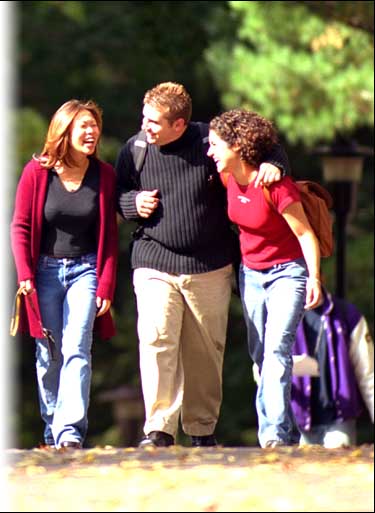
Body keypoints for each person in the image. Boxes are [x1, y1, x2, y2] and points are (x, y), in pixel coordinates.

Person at [115, 82, 290, 448]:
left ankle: (200, 428)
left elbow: (264, 144)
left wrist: (275, 164)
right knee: (156, 338)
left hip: (209, 264)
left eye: (155, 122)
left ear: (180, 125)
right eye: (144, 118)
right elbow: (116, 195)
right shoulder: (135, 150)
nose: (145, 127)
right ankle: (159, 428)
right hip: (154, 260)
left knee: (205, 350)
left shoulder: (208, 141)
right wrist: (132, 204)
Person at [208, 108, 322, 448]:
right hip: (252, 275)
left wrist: (314, 278)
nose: (209, 151)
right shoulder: (228, 178)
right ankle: (282, 431)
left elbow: (305, 235)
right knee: (261, 355)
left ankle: (272, 436)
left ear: (238, 147)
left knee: (276, 349)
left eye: (215, 145)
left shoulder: (276, 185)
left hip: (288, 273)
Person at [10, 99, 118, 450]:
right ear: (64, 130)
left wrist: (105, 284)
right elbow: (20, 226)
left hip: (85, 270)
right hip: (42, 273)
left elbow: (110, 237)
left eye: (94, 126)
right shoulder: (37, 172)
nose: (91, 132)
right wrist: (24, 275)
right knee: (48, 354)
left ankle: (69, 432)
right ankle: (52, 426)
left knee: (77, 349)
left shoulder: (103, 175)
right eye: (83, 126)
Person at [291, 284, 374, 448]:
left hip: (339, 419)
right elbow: (261, 371)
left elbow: (368, 373)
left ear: (320, 277)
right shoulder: (282, 315)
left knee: (341, 470)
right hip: (296, 422)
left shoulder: (348, 315)